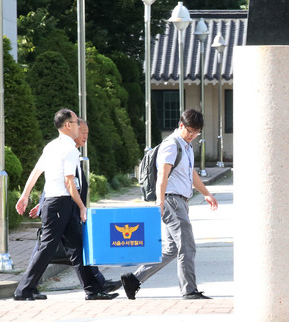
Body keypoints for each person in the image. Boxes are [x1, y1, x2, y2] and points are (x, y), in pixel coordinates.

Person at [14, 109, 117, 301]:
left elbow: (36, 172)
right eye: (77, 122)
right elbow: (69, 181)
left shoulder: (52, 146)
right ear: (68, 125)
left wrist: (25, 195)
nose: (80, 126)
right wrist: (82, 206)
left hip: (58, 204)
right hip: (60, 204)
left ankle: (92, 290)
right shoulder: (69, 149)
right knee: (47, 247)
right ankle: (24, 289)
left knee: (77, 247)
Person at [120, 109, 218, 300]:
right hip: (171, 201)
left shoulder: (186, 146)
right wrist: (160, 203)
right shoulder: (171, 145)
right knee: (187, 246)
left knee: (172, 249)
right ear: (181, 125)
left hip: (180, 201)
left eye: (196, 133)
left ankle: (133, 279)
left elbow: (191, 174)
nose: (192, 136)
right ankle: (189, 290)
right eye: (189, 131)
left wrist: (206, 193)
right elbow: (162, 176)